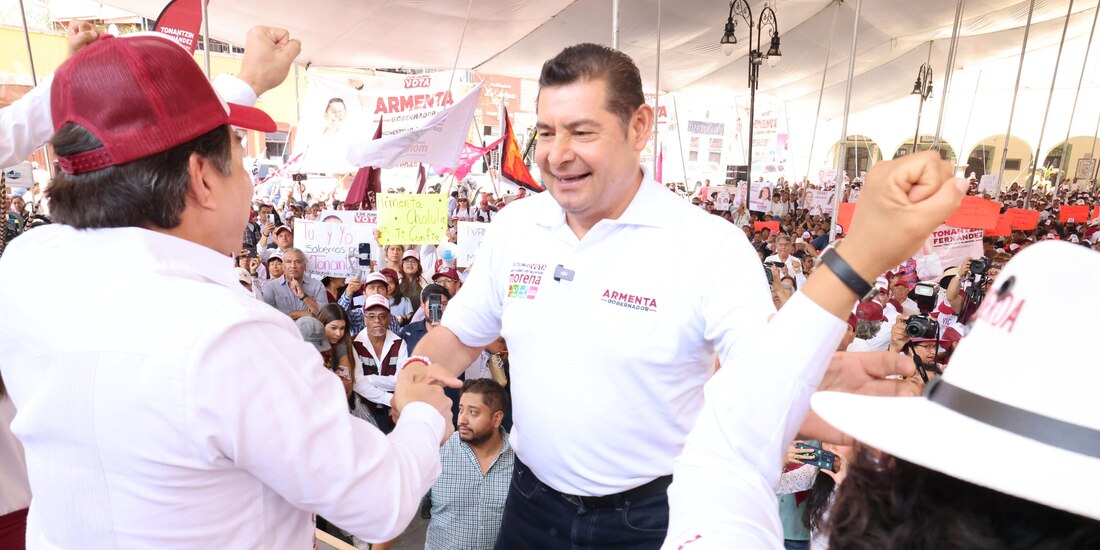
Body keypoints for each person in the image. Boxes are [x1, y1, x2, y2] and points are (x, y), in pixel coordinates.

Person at [405, 43, 964, 549]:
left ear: (639, 126)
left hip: (652, 517)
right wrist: (423, 364)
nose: (557, 154)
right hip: (532, 508)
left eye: (582, 131)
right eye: (546, 133)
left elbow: (758, 371)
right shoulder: (515, 228)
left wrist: (813, 387)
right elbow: (458, 334)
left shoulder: (709, 246)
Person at [0, 29, 454, 547]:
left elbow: (145, 142)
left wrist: (246, 84)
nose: (249, 179)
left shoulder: (26, 268)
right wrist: (420, 413)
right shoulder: (228, 335)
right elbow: (379, 501)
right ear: (202, 179)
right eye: (237, 154)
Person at [426, 379, 515, 550]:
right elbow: (397, 509)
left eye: (473, 413)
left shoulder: (520, 460)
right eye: (461, 410)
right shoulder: (438, 451)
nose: (462, 419)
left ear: (497, 418)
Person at [352, 294, 410, 432]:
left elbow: (400, 381)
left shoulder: (399, 343)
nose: (377, 320)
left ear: (390, 319)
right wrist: (390, 398)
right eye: (371, 316)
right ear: (364, 320)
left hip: (392, 413)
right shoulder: (354, 343)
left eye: (382, 316)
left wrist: (369, 379)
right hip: (363, 411)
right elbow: (357, 384)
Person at [261, 247, 329, 318]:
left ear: (304, 266)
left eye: (298, 262)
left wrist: (303, 296)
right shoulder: (271, 287)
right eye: (288, 262)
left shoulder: (317, 285)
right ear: (283, 267)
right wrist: (295, 314)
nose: (293, 266)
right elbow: (268, 315)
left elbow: (325, 314)